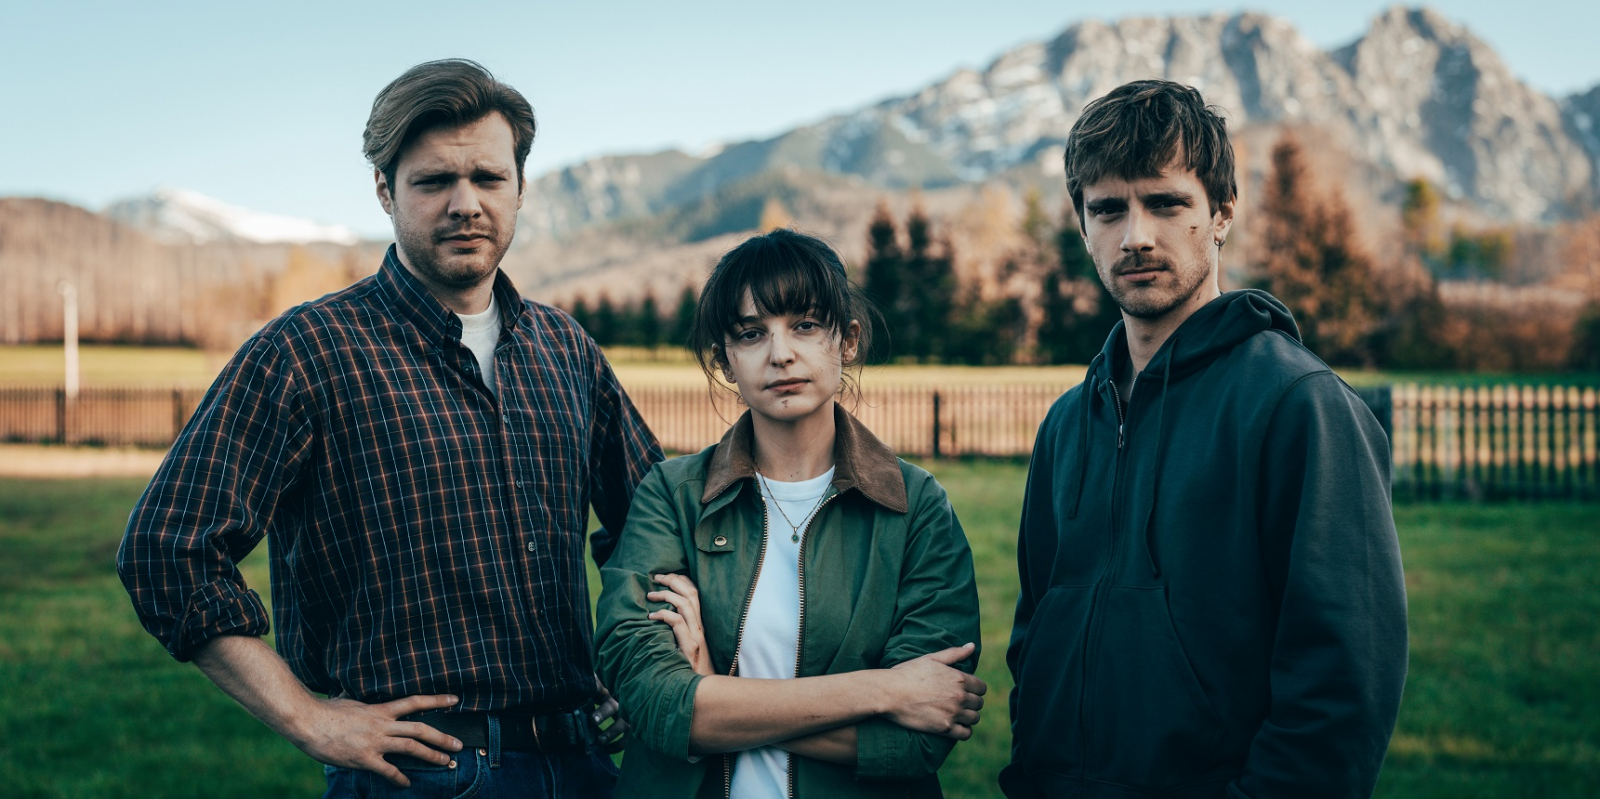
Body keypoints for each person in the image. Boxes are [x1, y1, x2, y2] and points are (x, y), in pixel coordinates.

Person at [116, 59, 661, 798]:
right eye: (434, 181)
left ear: (521, 188)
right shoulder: (308, 352)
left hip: (587, 765)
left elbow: (655, 527)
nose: (465, 204)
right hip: (418, 777)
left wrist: (642, 662)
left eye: (488, 179)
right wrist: (310, 718)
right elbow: (165, 548)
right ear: (385, 190)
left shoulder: (566, 350)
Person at [1001, 80, 1408, 799]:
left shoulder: (1298, 407)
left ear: (1220, 214)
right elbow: (1035, 632)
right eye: (1108, 209)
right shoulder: (1068, 425)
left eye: (1165, 203)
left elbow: (1342, 685)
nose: (1136, 236)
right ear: (1082, 222)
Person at [593, 229, 985, 799]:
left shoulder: (915, 507)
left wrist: (712, 695)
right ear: (726, 361)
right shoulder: (671, 497)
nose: (780, 353)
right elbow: (653, 702)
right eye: (752, 334)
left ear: (846, 341)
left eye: (805, 325)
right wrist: (886, 692)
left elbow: (916, 743)